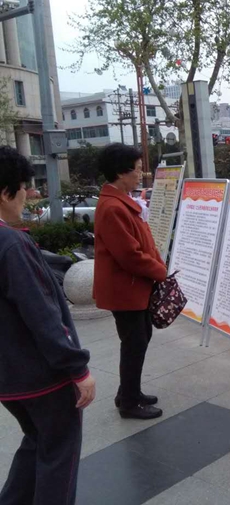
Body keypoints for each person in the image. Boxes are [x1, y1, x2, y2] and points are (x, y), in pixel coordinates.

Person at [0, 146, 96, 505]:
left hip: (8, 378)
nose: (27, 194)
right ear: (5, 192)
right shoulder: (11, 244)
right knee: (59, 452)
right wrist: (77, 368)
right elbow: (42, 315)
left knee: (38, 440)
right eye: (24, 187)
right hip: (41, 376)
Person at [93, 144, 167, 420]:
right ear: (121, 172)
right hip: (126, 289)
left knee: (140, 338)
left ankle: (128, 392)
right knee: (134, 343)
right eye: (136, 169)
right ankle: (129, 403)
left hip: (135, 287)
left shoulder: (121, 202)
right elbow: (129, 255)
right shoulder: (113, 207)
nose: (140, 174)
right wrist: (160, 271)